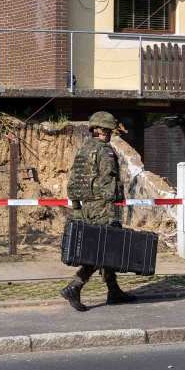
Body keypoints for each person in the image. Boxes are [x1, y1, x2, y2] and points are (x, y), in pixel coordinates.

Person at [59, 111, 138, 312]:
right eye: (110, 130)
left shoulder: (83, 150)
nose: (111, 134)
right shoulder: (105, 151)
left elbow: (74, 182)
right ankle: (75, 286)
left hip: (85, 207)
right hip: (102, 206)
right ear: (103, 130)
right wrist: (111, 213)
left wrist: (77, 209)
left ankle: (114, 290)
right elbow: (108, 182)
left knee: (105, 248)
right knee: (102, 250)